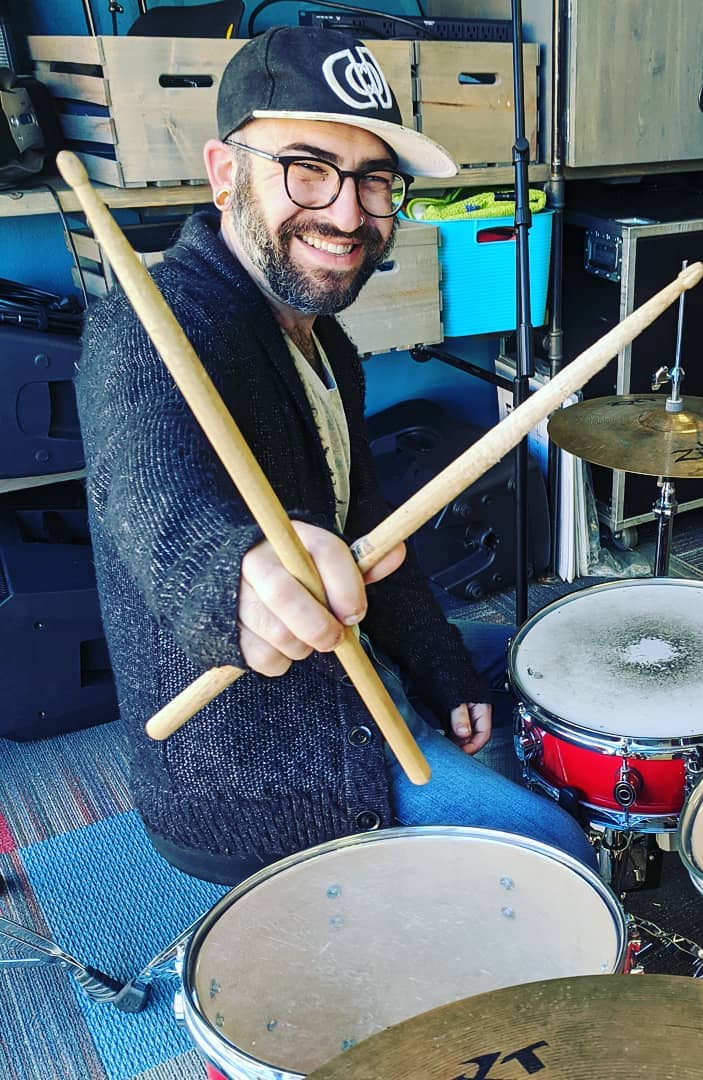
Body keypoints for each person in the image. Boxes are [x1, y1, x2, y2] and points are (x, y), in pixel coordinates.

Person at [76, 26, 595, 885]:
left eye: (373, 181)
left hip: (362, 675)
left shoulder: (328, 349)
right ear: (223, 172)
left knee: (541, 652)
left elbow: (367, 535)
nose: (348, 213)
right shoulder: (147, 331)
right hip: (258, 764)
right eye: (307, 169)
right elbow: (159, 512)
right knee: (557, 855)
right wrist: (240, 579)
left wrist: (437, 670)